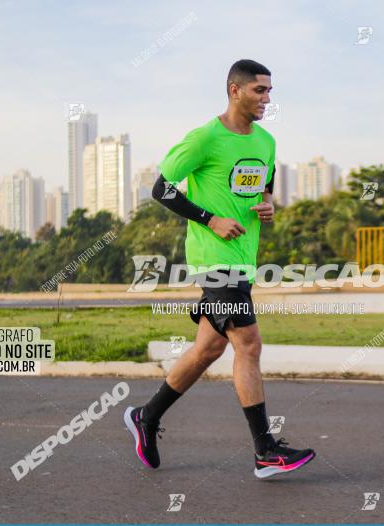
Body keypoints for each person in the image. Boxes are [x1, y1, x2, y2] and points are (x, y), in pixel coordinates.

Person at [123, 59, 315, 479]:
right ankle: (265, 451)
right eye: (259, 90)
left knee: (208, 350)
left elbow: (264, 185)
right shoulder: (205, 138)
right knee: (249, 345)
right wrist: (209, 219)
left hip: (244, 261)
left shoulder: (265, 142)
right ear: (234, 90)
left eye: (269, 91)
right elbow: (161, 189)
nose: (267, 98)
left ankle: (147, 416)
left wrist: (268, 207)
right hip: (213, 261)